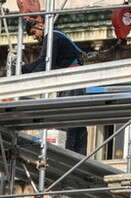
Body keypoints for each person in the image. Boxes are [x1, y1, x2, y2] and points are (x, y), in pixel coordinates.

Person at [22, 22, 87, 154]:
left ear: (40, 25)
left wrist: (26, 79)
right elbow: (43, 61)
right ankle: (77, 152)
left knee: (67, 118)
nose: (34, 37)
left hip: (72, 80)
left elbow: (46, 63)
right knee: (74, 119)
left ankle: (70, 153)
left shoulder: (52, 37)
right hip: (72, 80)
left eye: (33, 33)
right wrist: (24, 69)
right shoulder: (56, 36)